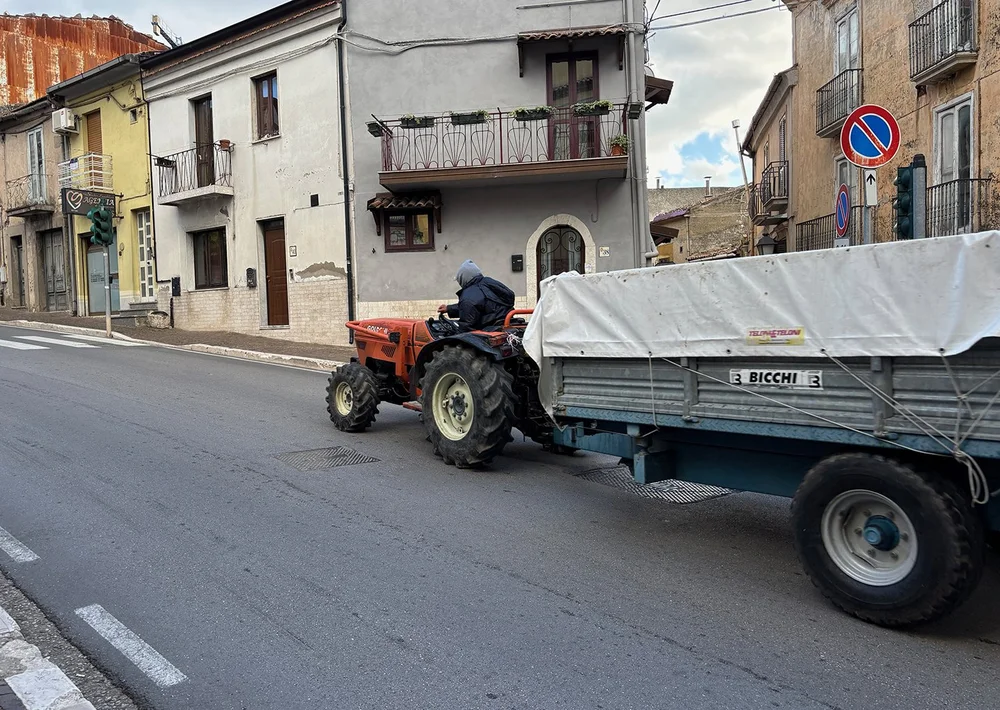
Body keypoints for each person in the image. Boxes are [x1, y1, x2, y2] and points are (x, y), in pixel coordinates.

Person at [437, 260, 515, 332]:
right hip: (507, 322)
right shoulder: (489, 283)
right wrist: (449, 308)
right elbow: (480, 305)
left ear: (463, 278)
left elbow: (467, 326)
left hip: (489, 330)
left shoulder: (468, 295)